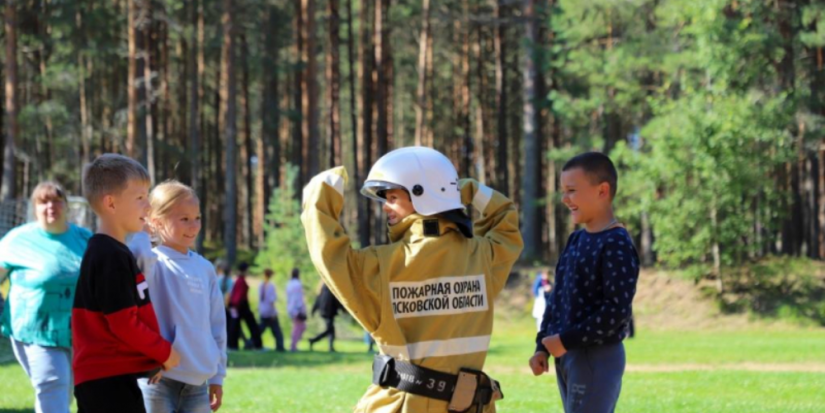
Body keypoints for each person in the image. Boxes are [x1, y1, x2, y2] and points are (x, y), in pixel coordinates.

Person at [301, 146, 523, 412]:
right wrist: (467, 190)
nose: (386, 208)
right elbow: (505, 219)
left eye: (393, 197)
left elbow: (330, 256)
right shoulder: (482, 256)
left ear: (423, 194)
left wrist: (319, 198)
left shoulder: (382, 264)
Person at [529, 152, 640, 413]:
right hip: (568, 354)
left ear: (602, 191)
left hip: (597, 357)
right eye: (563, 191)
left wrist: (566, 340)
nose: (565, 199)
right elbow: (556, 300)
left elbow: (616, 311)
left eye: (571, 190)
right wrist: (541, 346)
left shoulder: (616, 243)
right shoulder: (575, 241)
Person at [72, 154, 180, 413]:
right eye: (140, 198)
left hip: (113, 377)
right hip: (106, 381)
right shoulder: (109, 255)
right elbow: (123, 323)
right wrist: (165, 352)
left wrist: (149, 359)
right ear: (111, 203)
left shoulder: (114, 251)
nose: (148, 206)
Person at [128, 181, 227, 412]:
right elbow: (138, 255)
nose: (193, 226)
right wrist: (144, 229)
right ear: (156, 221)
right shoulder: (152, 261)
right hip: (157, 380)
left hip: (198, 384)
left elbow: (217, 325)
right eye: (184, 219)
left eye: (197, 217)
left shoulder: (205, 268)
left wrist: (217, 376)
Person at [0, 181, 92, 413]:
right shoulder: (18, 240)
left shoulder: (84, 238)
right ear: (35, 207)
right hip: (33, 330)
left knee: (67, 391)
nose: (51, 206)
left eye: (56, 200)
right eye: (43, 201)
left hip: (77, 332)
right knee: (53, 384)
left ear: (66, 205)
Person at [227, 262, 262, 350]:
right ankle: (256, 345)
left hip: (237, 306)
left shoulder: (239, 280)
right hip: (240, 306)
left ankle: (233, 345)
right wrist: (235, 306)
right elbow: (238, 296)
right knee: (251, 325)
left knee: (235, 326)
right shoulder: (240, 281)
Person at [308, 283, 344, 352]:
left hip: (324, 312)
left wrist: (313, 310)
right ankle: (313, 340)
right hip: (329, 312)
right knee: (329, 330)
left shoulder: (321, 289)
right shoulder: (331, 288)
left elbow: (317, 300)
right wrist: (342, 309)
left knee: (331, 330)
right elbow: (336, 301)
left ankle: (331, 347)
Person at [259, 268, 286, 352]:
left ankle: (250, 343)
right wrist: (274, 312)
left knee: (259, 330)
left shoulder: (261, 285)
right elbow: (272, 300)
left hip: (263, 311)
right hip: (270, 312)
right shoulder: (271, 286)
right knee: (277, 331)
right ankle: (280, 346)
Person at [285, 268, 307, 352]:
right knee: (298, 327)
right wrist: (301, 308)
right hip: (297, 308)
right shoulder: (298, 284)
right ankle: (293, 346)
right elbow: (299, 298)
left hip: (290, 307)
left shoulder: (289, 284)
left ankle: (294, 344)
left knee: (299, 327)